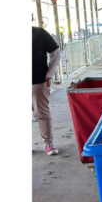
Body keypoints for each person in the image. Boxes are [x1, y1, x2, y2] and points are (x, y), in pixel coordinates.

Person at [32, 26, 61, 155]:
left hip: (37, 80)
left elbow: (55, 52)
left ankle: (48, 143)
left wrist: (50, 73)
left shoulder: (39, 33)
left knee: (41, 112)